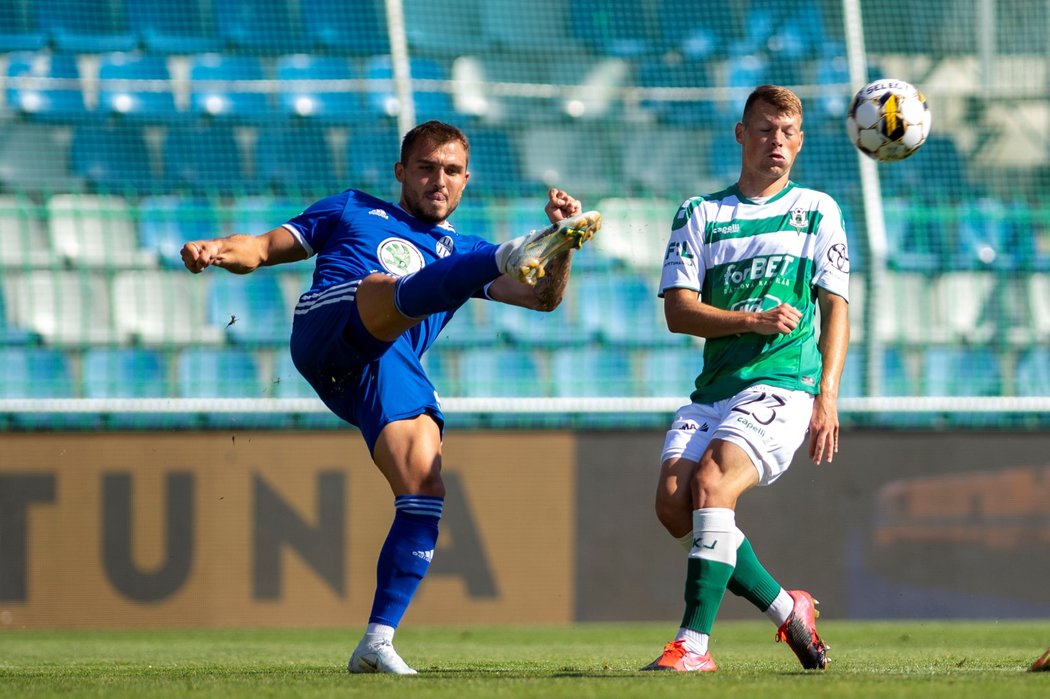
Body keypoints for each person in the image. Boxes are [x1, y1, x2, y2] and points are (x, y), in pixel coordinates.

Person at [180, 120, 602, 674]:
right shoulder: (352, 208)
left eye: (451, 171)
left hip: (384, 366)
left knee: (425, 486)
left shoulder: (460, 249)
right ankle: (514, 250)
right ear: (402, 171)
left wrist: (564, 242)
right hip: (330, 327)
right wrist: (215, 248)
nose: (438, 180)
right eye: (426, 167)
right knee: (383, 289)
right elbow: (259, 248)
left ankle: (377, 641)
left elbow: (542, 299)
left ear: (467, 179)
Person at [641, 85, 850, 672]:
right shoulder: (700, 213)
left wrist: (827, 396)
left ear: (800, 141)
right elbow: (678, 311)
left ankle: (693, 647)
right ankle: (790, 610)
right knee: (674, 505)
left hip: (784, 381)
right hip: (716, 389)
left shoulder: (817, 210)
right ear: (741, 135)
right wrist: (750, 319)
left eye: (786, 133)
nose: (775, 142)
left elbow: (837, 306)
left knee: (713, 485)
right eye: (763, 129)